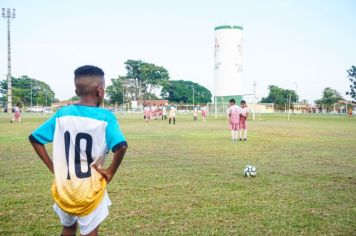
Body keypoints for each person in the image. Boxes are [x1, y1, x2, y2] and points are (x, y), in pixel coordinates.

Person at [29, 65, 128, 236]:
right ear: (100, 90)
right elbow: (121, 146)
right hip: (89, 188)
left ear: (76, 90)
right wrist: (110, 171)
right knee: (90, 231)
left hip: (64, 187)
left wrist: (53, 168)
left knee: (68, 228)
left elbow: (35, 138)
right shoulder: (106, 118)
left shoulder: (62, 114)